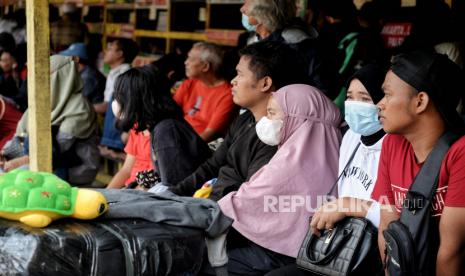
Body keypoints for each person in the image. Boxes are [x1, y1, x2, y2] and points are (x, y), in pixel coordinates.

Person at [266, 64, 387, 276]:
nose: (354, 105)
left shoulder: (395, 144)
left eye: (366, 99)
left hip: (372, 248)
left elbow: (395, 213)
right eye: (350, 97)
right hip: (343, 242)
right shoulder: (352, 137)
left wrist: (351, 207)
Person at [210, 84, 341, 275]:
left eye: (272, 113)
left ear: (296, 120)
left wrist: (200, 211)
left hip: (279, 255)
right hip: (311, 253)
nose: (266, 120)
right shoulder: (337, 150)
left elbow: (244, 203)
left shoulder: (291, 162)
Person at [171, 41, 308, 199]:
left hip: (223, 214)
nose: (233, 81)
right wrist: (174, 192)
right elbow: (213, 165)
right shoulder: (245, 119)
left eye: (240, 74)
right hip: (208, 204)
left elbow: (249, 198)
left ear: (265, 83)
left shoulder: (274, 137)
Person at [372, 51, 465, 274]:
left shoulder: (460, 152)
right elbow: (388, 226)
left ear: (420, 101)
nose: (379, 104)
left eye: (387, 94)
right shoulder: (391, 144)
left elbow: (452, 252)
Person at [1, 55, 100, 185]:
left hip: (74, 167)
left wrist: (19, 161)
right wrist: (4, 155)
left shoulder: (79, 107)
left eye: (47, 75)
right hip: (38, 161)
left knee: (18, 179)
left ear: (63, 77)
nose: (40, 81)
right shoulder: (41, 103)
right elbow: (19, 138)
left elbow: (53, 151)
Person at [111, 66, 212, 188]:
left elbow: (173, 190)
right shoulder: (157, 127)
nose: (117, 102)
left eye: (121, 97)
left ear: (137, 100)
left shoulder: (167, 131)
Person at [239, 0, 325, 94]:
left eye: (246, 3)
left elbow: (318, 87)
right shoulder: (254, 38)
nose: (242, 9)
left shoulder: (295, 42)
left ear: (263, 12)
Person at [173, 42, 237, 143]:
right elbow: (169, 113)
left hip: (200, 146)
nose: (186, 62)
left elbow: (209, 134)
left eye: (191, 59)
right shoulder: (188, 84)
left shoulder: (227, 94)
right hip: (179, 138)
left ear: (205, 67)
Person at [99, 39, 139, 153]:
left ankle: (111, 141)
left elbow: (109, 105)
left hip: (121, 132)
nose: (105, 51)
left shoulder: (125, 75)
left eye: (110, 48)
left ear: (120, 54)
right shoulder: (115, 73)